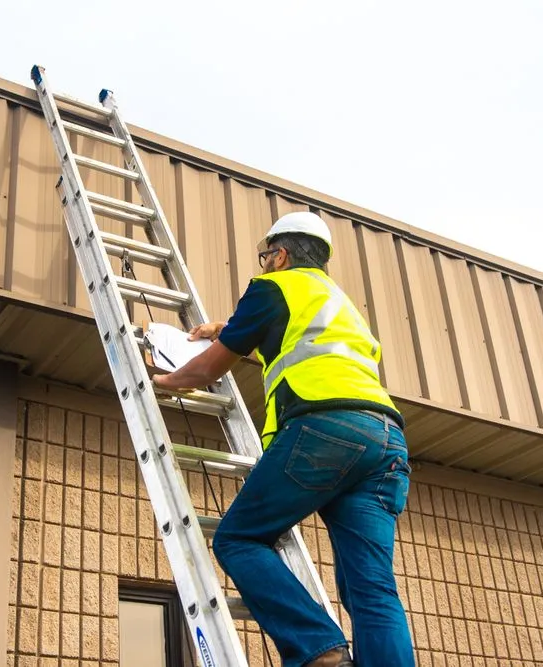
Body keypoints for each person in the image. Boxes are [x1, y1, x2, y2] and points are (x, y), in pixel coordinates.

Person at [150, 211, 416, 666]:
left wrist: (165, 381)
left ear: (281, 254)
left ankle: (321, 651)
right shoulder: (338, 302)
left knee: (239, 539)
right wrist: (226, 330)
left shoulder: (273, 287)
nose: (264, 263)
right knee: (372, 589)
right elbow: (296, 340)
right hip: (387, 441)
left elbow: (212, 367)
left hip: (325, 429)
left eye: (266, 255)